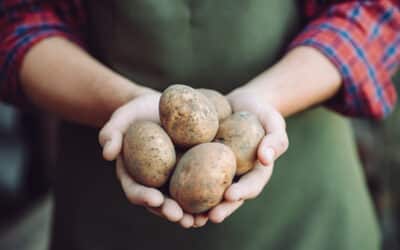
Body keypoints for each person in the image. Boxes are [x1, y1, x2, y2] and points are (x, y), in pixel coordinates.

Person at [1, 0, 399, 249]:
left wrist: (267, 99)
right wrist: (121, 101)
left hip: (305, 213)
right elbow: (18, 22)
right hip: (108, 210)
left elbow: (374, 9)